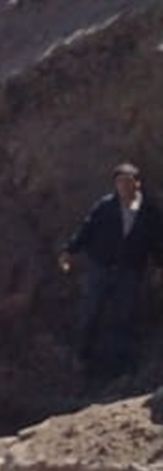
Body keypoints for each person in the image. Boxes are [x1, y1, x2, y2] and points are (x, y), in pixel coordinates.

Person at [59, 161, 163, 379]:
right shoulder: (105, 206)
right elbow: (86, 229)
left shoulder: (149, 212)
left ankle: (121, 366)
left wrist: (159, 267)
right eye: (119, 183)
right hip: (101, 267)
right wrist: (69, 250)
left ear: (138, 183)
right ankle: (82, 357)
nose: (123, 187)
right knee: (91, 313)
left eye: (128, 182)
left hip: (130, 270)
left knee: (125, 317)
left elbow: (157, 242)